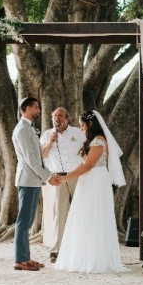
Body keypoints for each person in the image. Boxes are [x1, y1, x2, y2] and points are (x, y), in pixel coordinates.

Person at [54, 110, 127, 274]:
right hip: (89, 179)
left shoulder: (99, 141)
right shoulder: (93, 140)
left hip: (96, 180)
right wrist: (67, 176)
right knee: (84, 215)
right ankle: (84, 256)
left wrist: (66, 179)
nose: (81, 129)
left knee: (94, 216)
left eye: (82, 126)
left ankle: (94, 259)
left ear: (90, 125)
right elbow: (83, 165)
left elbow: (88, 166)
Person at [12, 96, 61, 271]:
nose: (39, 110)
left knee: (28, 221)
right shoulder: (23, 130)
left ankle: (25, 257)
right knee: (23, 221)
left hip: (33, 181)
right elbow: (31, 160)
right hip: (27, 180)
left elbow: (37, 155)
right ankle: (20, 260)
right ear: (28, 109)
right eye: (36, 107)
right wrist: (48, 177)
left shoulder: (29, 129)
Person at [40, 107, 86, 263]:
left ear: (67, 119)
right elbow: (41, 157)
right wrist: (50, 143)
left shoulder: (77, 133)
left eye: (60, 115)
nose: (56, 118)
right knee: (60, 213)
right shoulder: (47, 135)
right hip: (58, 178)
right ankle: (56, 250)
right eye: (54, 116)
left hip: (77, 176)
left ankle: (81, 247)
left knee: (81, 210)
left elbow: (87, 151)